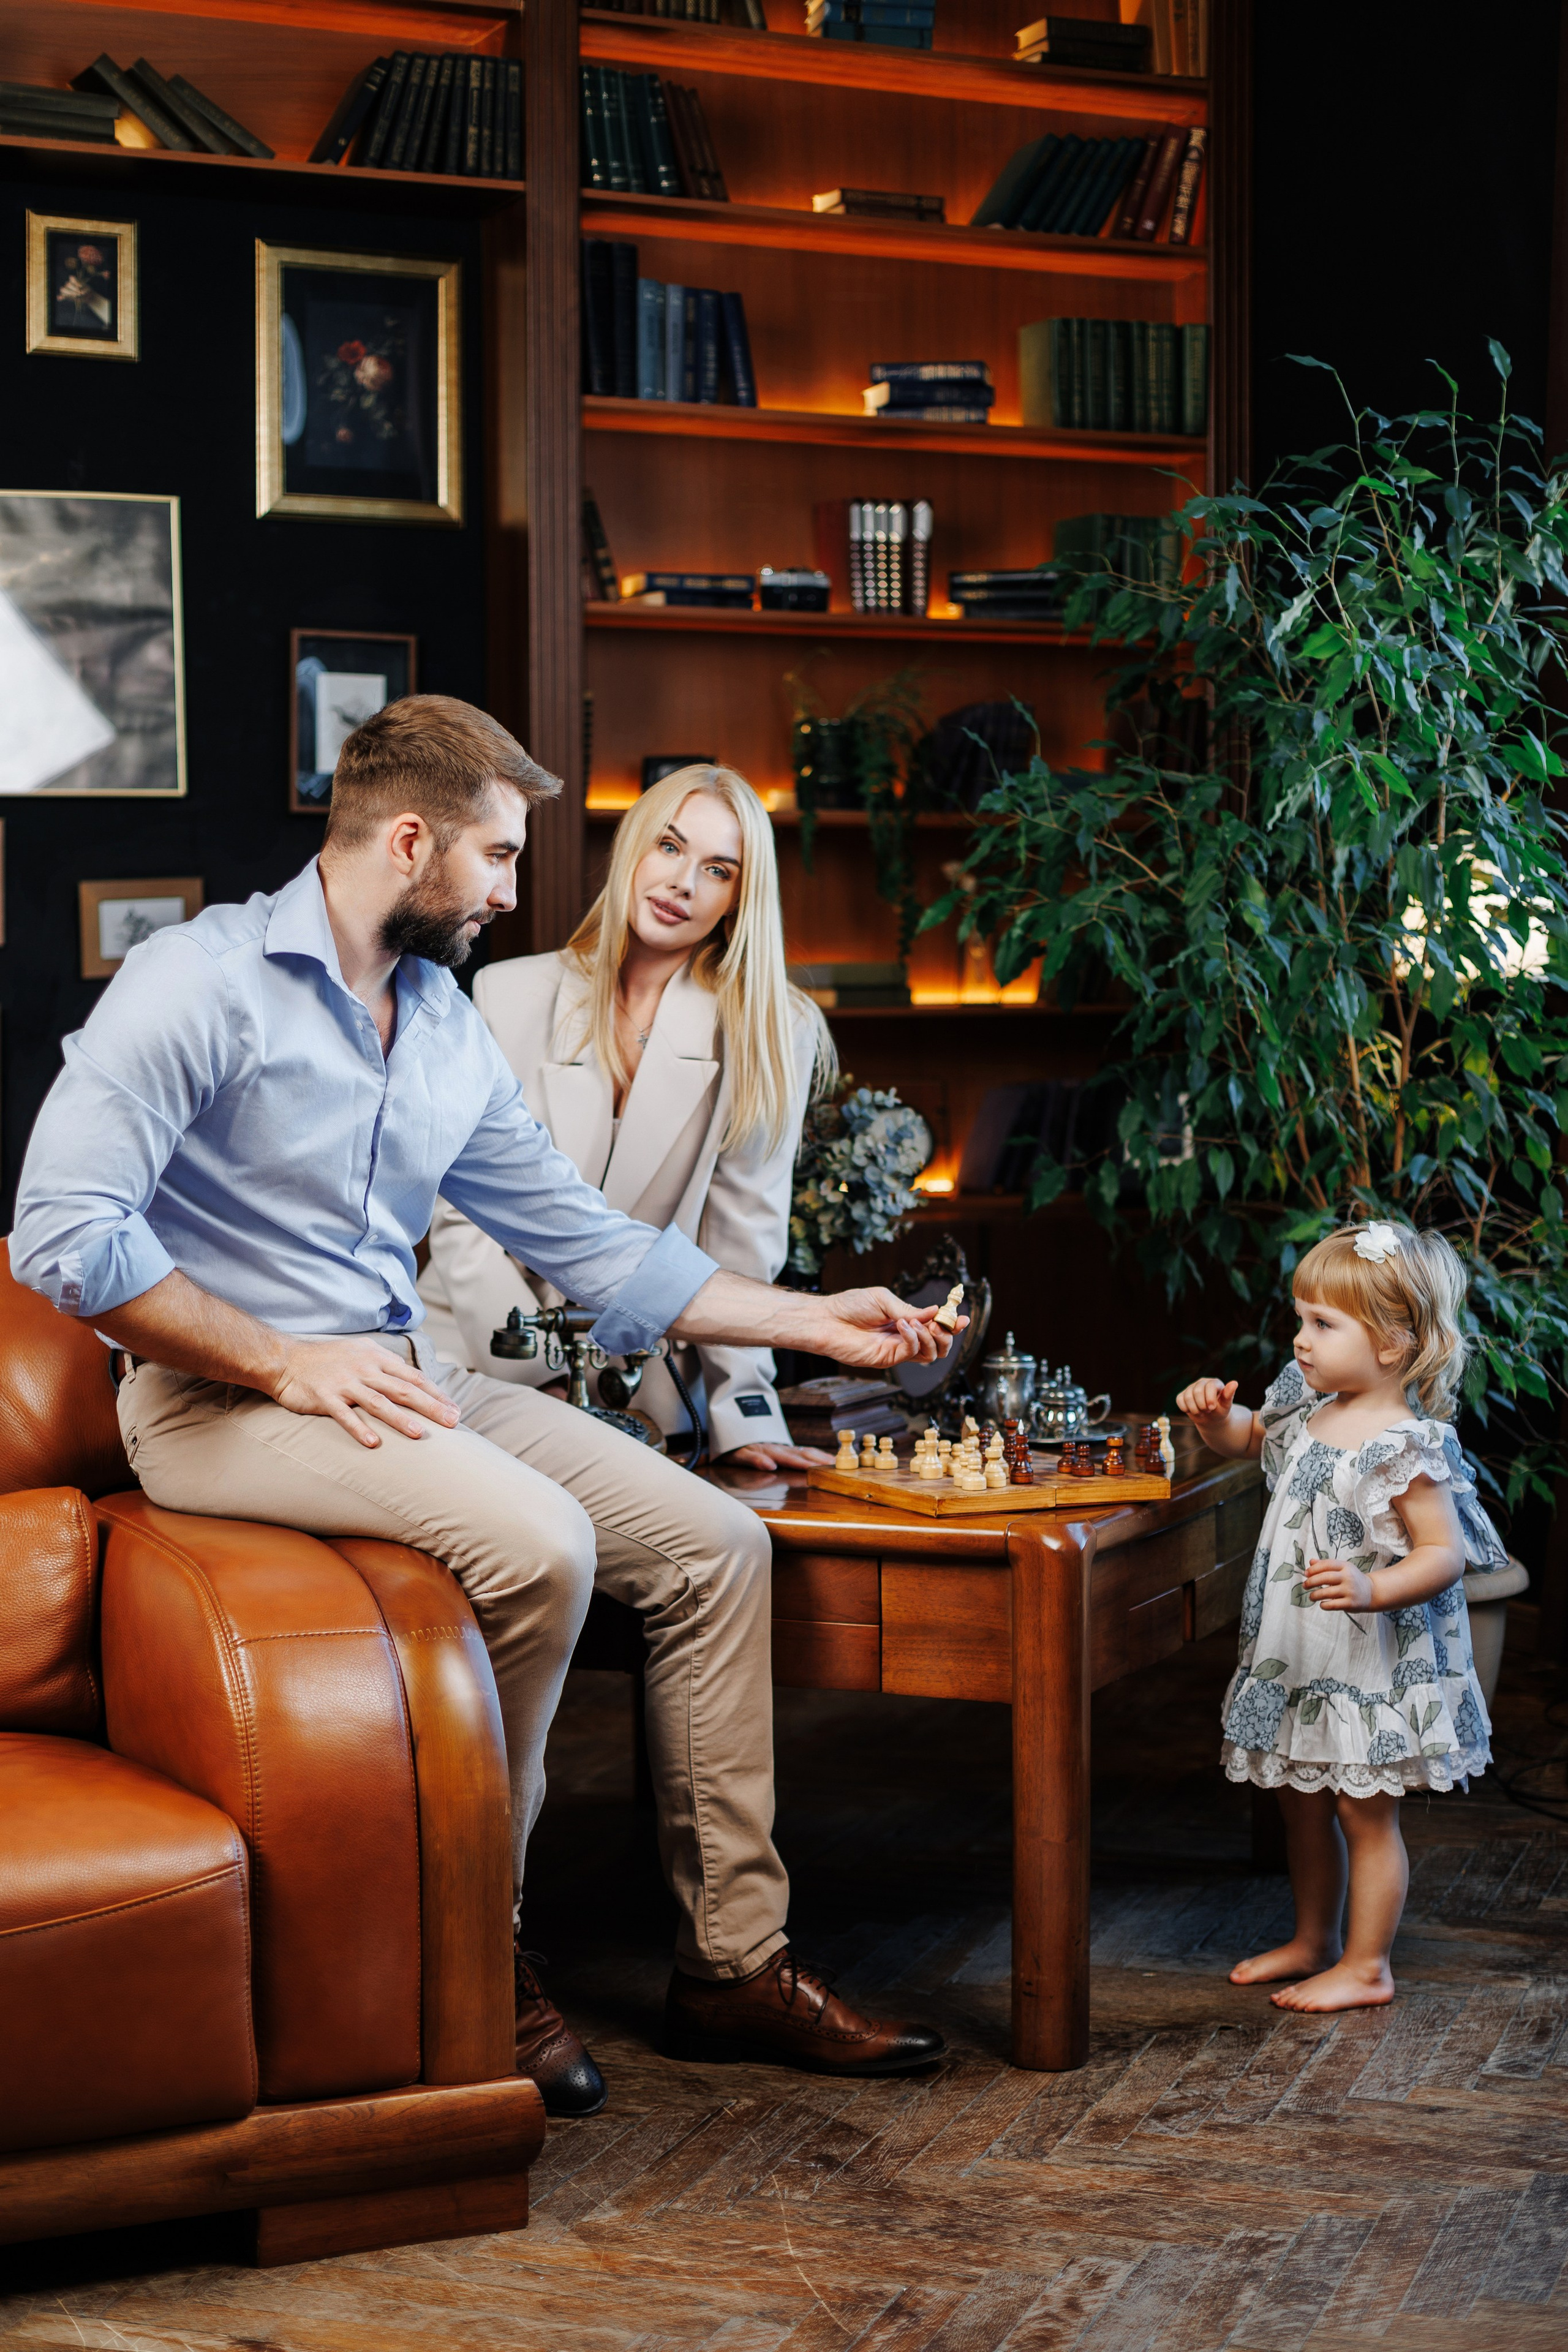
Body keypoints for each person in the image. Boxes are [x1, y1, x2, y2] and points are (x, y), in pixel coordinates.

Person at [11, 695, 954, 2116]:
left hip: (399, 1377)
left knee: (714, 1548)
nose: (518, 892)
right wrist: (279, 1357)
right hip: (217, 1402)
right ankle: (476, 1940)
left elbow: (592, 1246)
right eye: (501, 858)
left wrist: (812, 1316)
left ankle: (730, 1963)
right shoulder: (194, 982)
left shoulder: (442, 1023)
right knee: (542, 1543)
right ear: (410, 841)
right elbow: (64, 1238)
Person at [420, 762, 835, 1470]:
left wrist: (746, 1412)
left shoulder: (771, 1027)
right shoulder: (503, 993)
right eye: (669, 848)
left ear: (740, 898)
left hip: (646, 1389)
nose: (682, 883)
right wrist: (542, 1380)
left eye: (718, 870)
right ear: (632, 849)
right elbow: (463, 1220)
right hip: (471, 1358)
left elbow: (744, 1233)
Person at [1178, 1221, 1507, 2013]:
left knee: (1364, 1812)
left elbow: (1443, 1556)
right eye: (1300, 1319)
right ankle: (1313, 1938)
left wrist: (1373, 1589)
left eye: (1323, 1325)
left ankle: (1368, 1965)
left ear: (1394, 1343)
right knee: (1301, 1799)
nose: (1300, 1341)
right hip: (1300, 1655)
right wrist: (1212, 1419)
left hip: (1367, 1660)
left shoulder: (1404, 1445)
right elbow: (1250, 1437)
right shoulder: (1309, 1407)